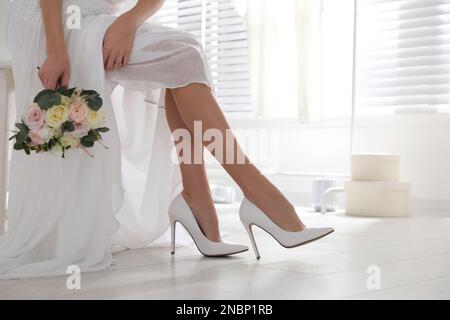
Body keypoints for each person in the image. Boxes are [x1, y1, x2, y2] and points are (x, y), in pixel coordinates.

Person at [0, 0, 333, 279]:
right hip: (49, 17)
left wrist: (129, 22)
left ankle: (199, 201)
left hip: (101, 18)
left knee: (185, 54)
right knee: (182, 55)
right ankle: (254, 193)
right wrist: (56, 48)